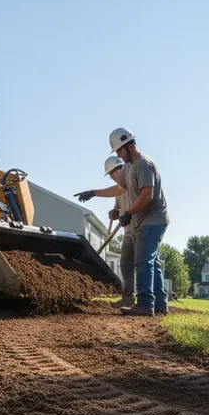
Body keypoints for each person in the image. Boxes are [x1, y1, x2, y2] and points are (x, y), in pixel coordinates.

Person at [75, 128, 169, 316]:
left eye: (119, 151)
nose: (118, 155)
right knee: (152, 262)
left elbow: (147, 194)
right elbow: (119, 189)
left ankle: (145, 304)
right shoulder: (129, 167)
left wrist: (128, 213)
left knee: (143, 261)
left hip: (153, 219)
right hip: (145, 220)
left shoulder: (143, 164)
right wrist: (94, 192)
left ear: (130, 146)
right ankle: (160, 304)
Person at [102, 154, 135, 307]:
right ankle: (128, 297)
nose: (111, 178)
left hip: (140, 228)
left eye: (111, 174)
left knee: (143, 265)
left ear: (118, 169)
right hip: (128, 231)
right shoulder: (119, 189)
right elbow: (119, 207)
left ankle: (148, 299)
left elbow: (141, 202)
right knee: (125, 264)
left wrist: (127, 213)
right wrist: (115, 213)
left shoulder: (132, 182)